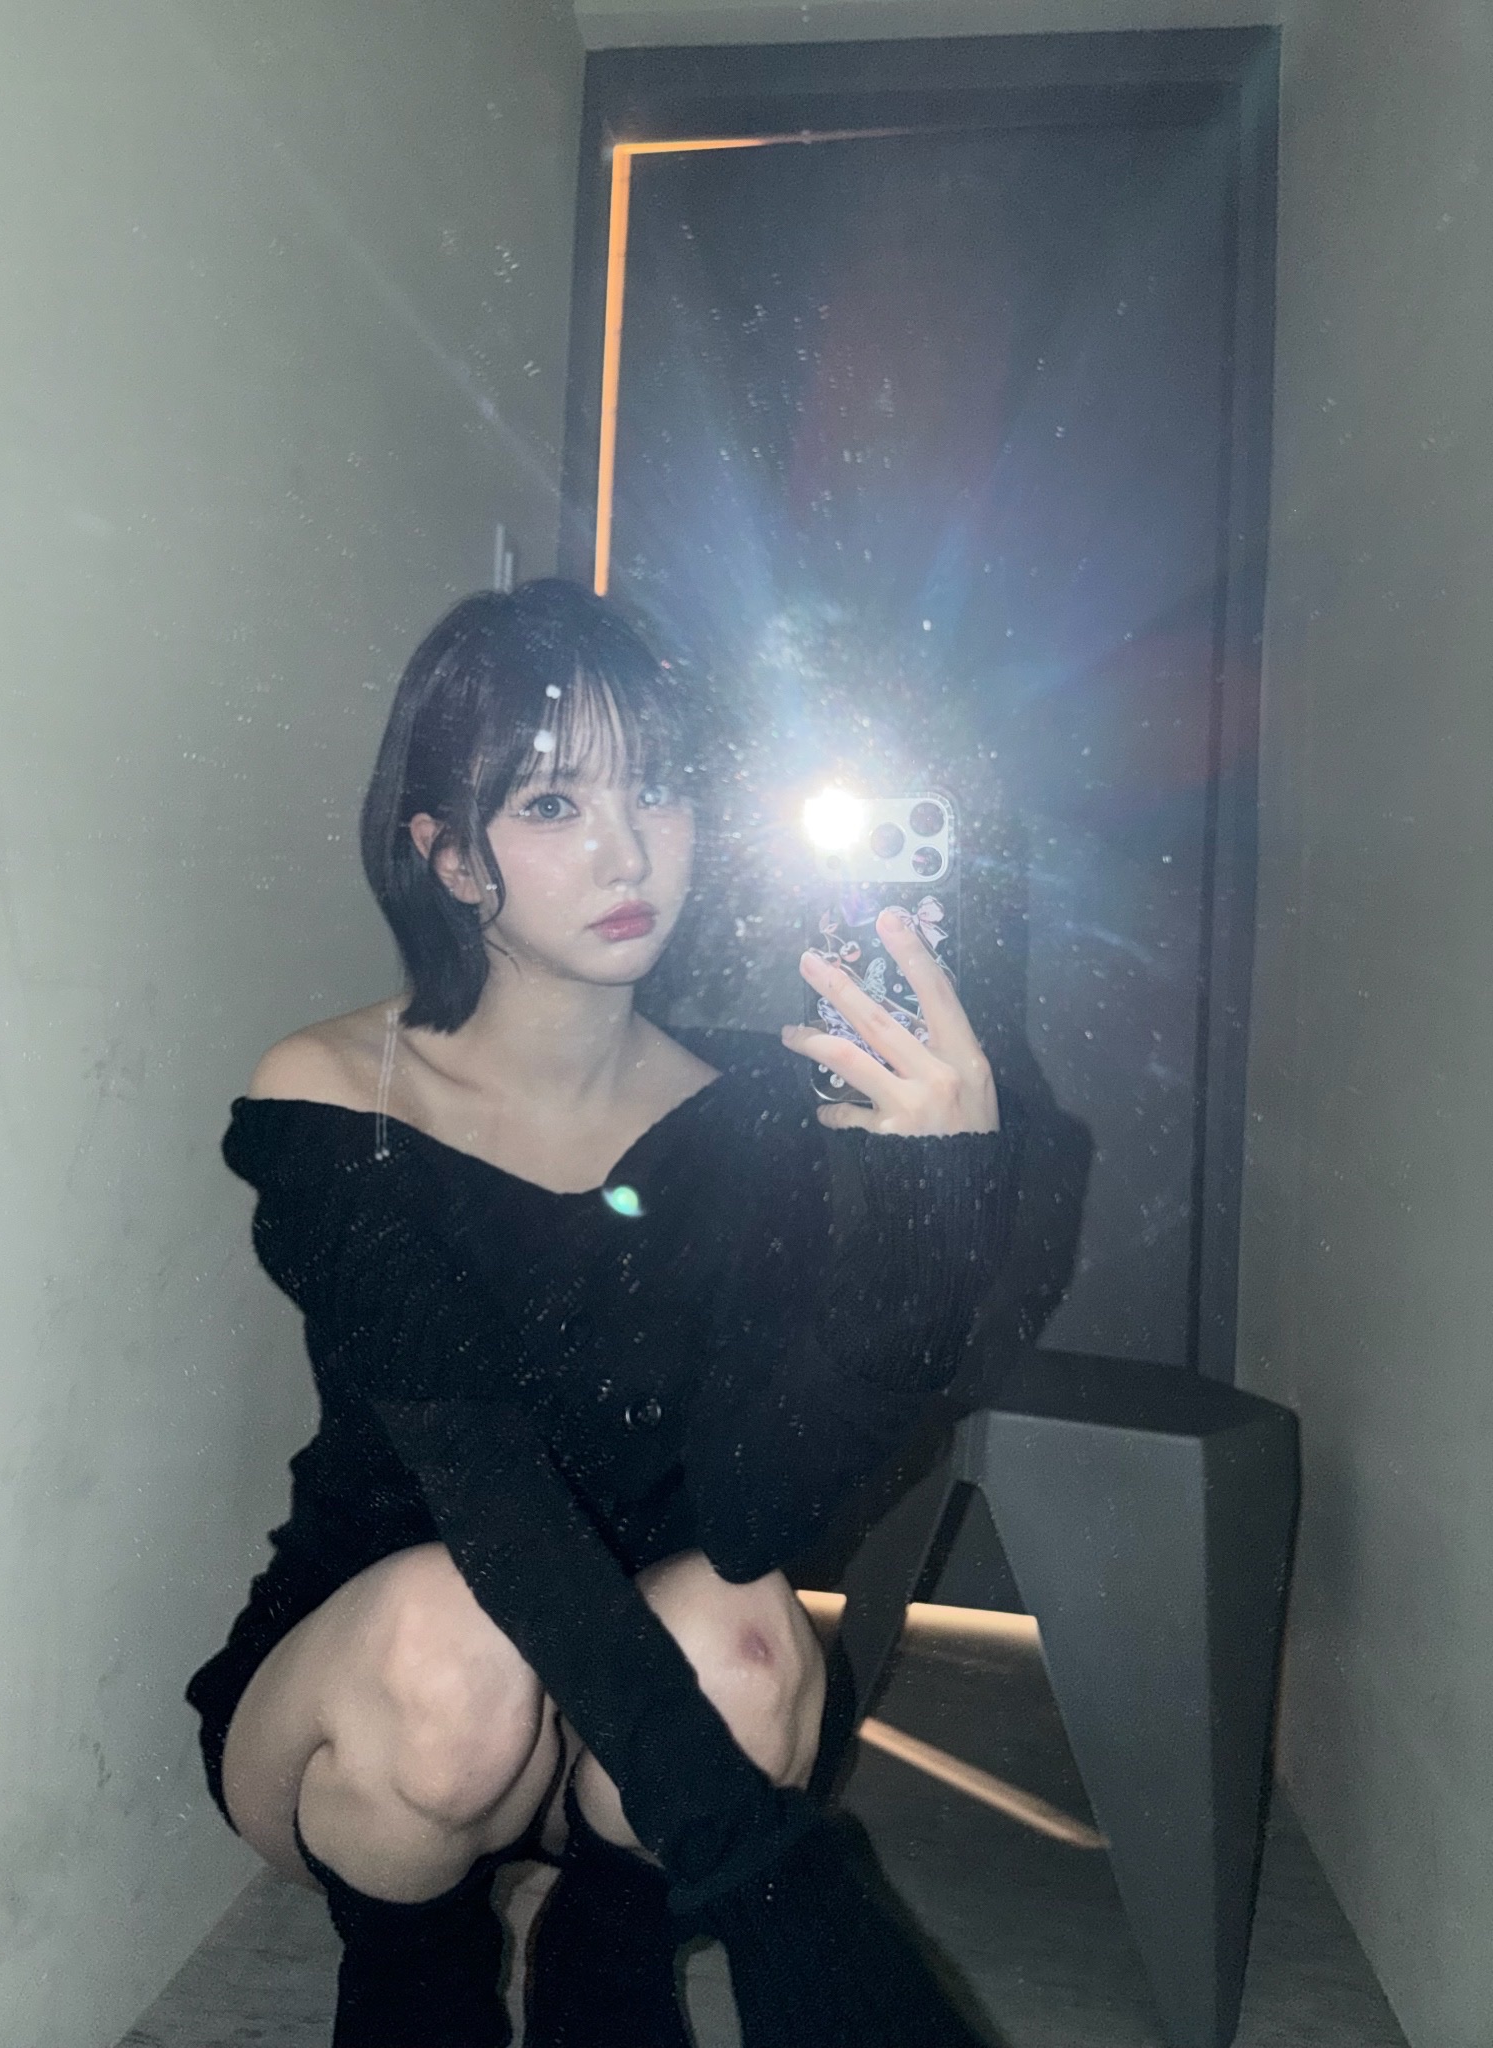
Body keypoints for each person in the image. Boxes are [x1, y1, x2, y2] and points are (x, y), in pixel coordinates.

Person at [185, 578, 1015, 2048]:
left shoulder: (750, 1113)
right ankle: (413, 1973)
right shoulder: (341, 1096)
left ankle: (607, 1957)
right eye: (555, 805)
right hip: (384, 1710)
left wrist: (928, 1223)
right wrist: (767, 1875)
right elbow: (492, 1503)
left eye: (661, 790)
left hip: (630, 1737)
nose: (628, 852)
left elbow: (756, 1513)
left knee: (751, 1629)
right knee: (455, 1637)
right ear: (449, 857)